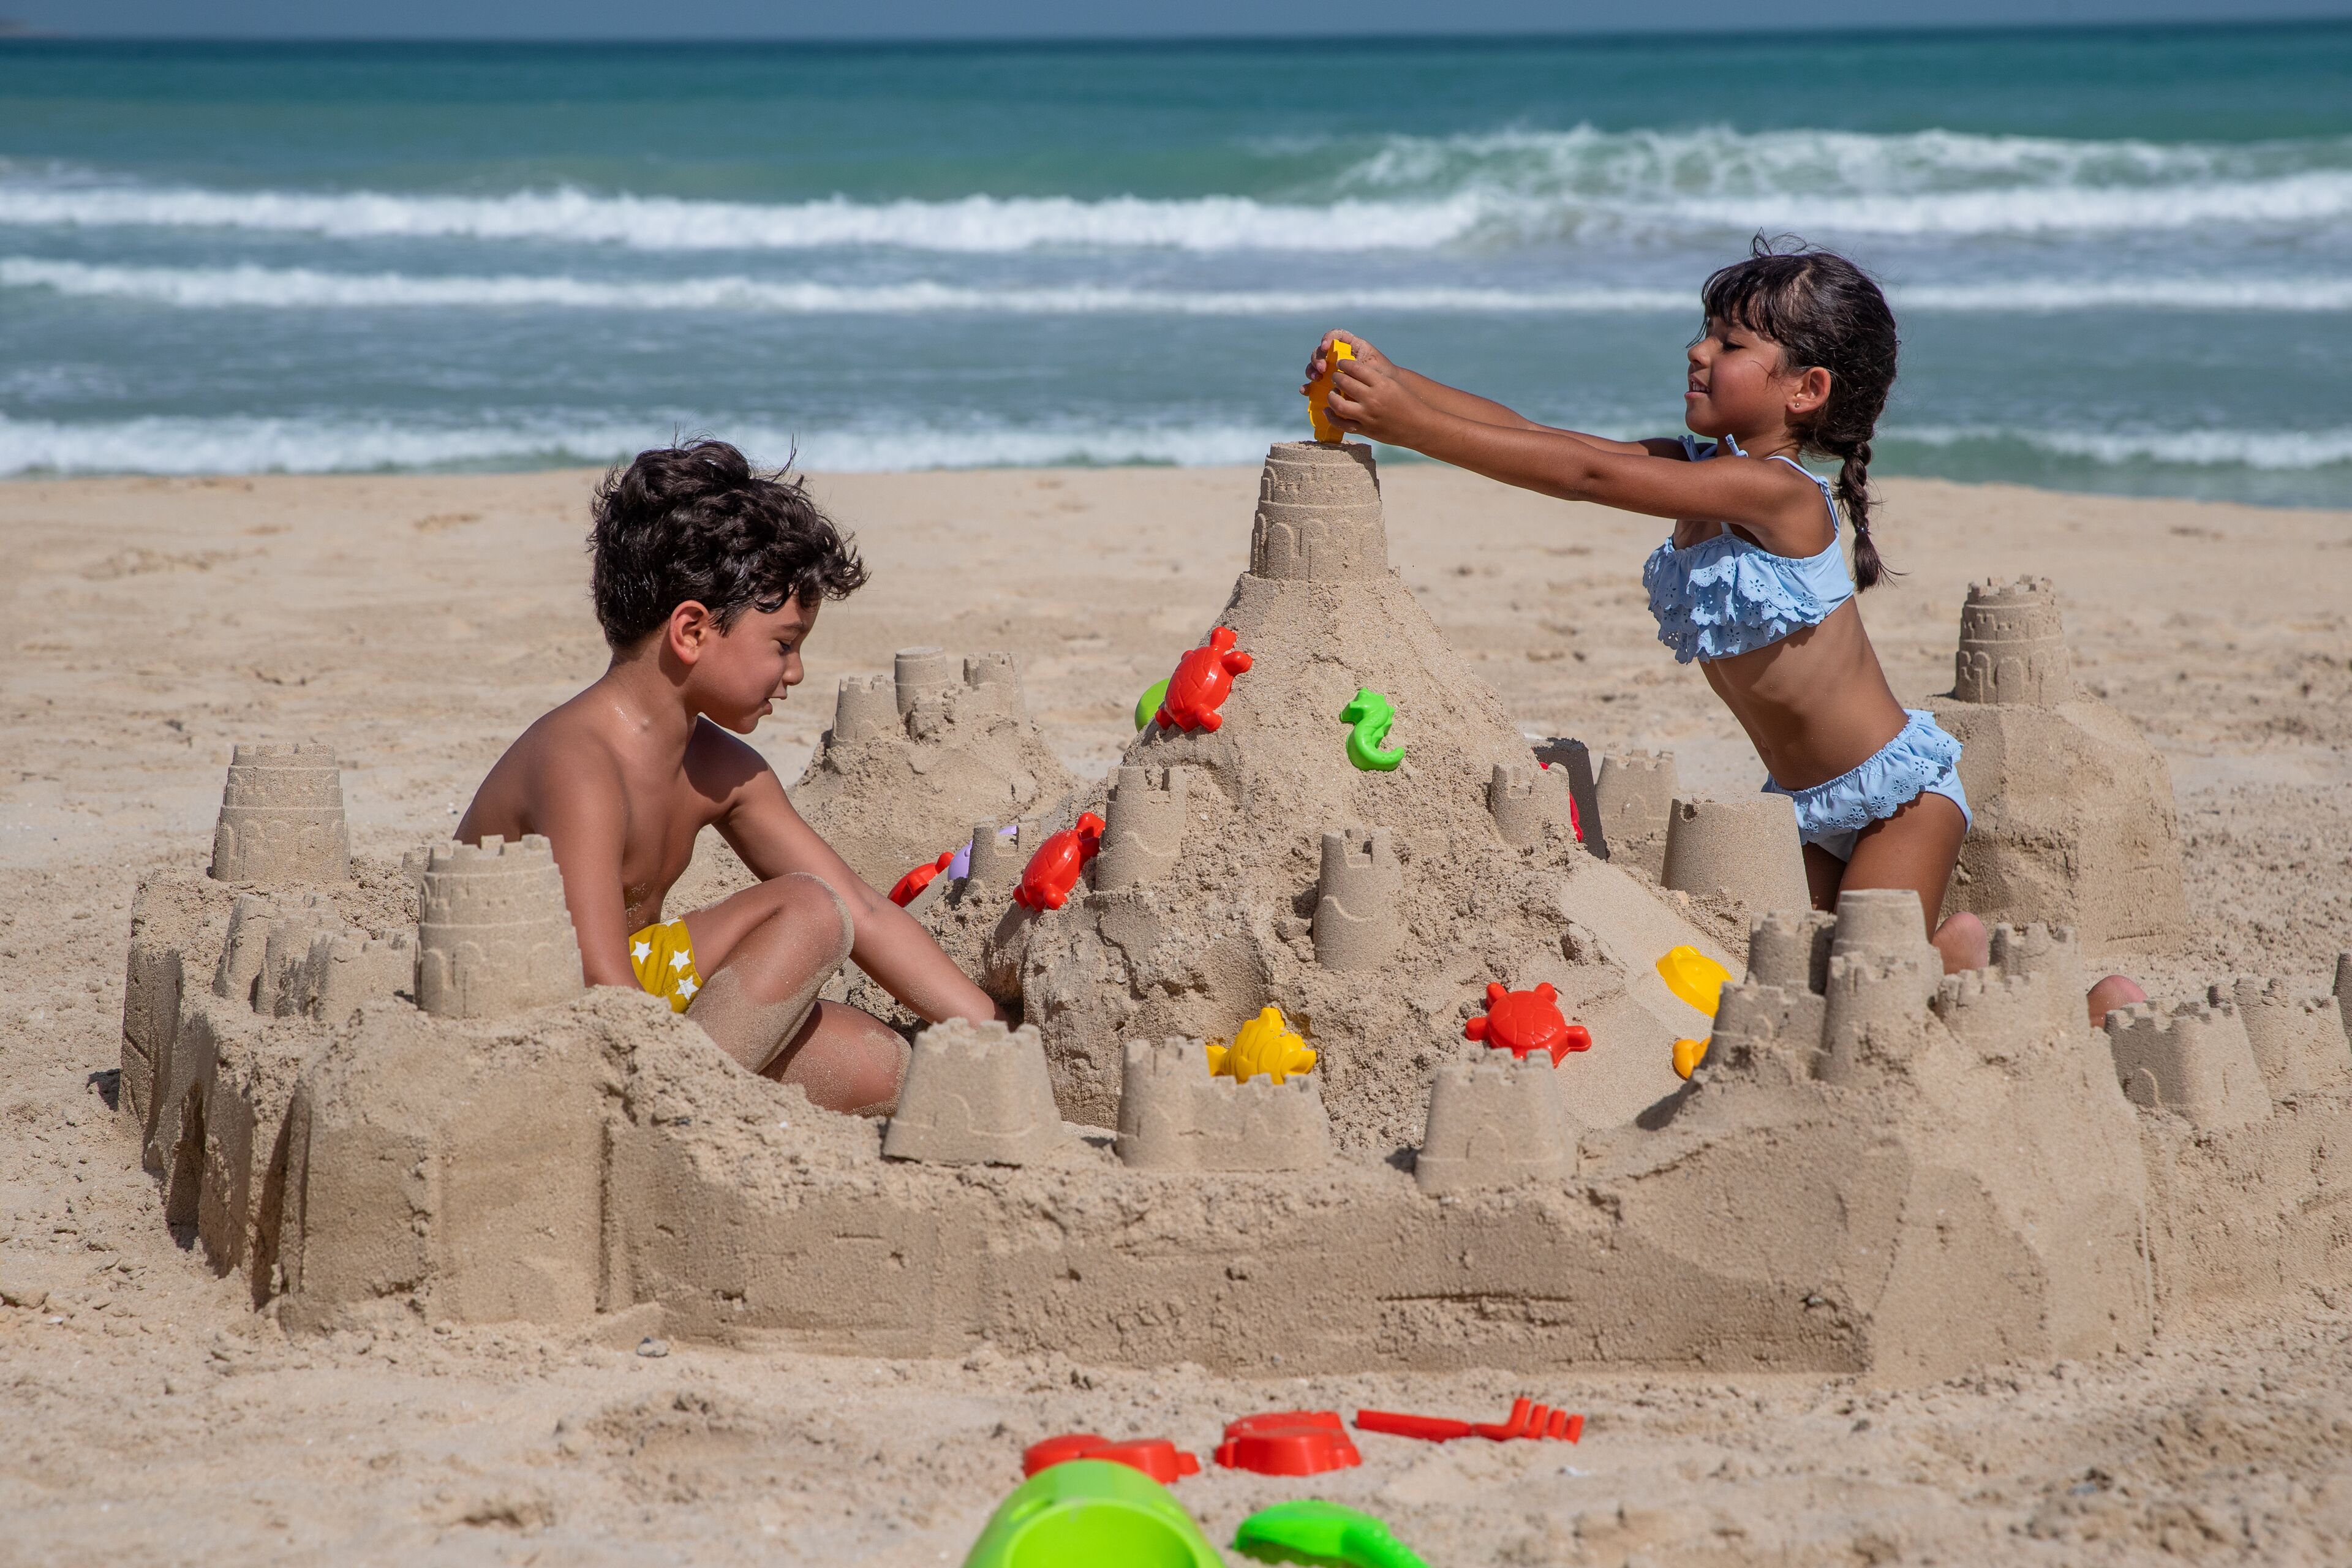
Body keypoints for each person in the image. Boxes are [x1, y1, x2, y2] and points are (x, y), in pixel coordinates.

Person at [1306, 238, 2143, 1023]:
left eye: (1730, 343)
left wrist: (1409, 427)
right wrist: (1396, 383)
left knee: (1867, 987)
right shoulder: (1696, 468)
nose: (1697, 352)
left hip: (1896, 798)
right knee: (1796, 986)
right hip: (1797, 807)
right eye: (1704, 332)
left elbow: (1587, 477)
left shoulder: (1777, 493)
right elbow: (1541, 437)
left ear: (1805, 390)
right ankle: (1958, 968)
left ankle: (2070, 1005)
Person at [456, 439, 1004, 1111]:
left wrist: (992, 1032)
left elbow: (864, 909)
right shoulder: (580, 765)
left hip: (640, 996)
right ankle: (670, 1114)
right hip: (543, 1016)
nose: (795, 672)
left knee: (884, 1064)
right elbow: (597, 977)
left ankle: (690, 1090)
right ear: (692, 631)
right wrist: (660, 1087)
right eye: (784, 645)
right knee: (808, 909)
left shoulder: (720, 766)